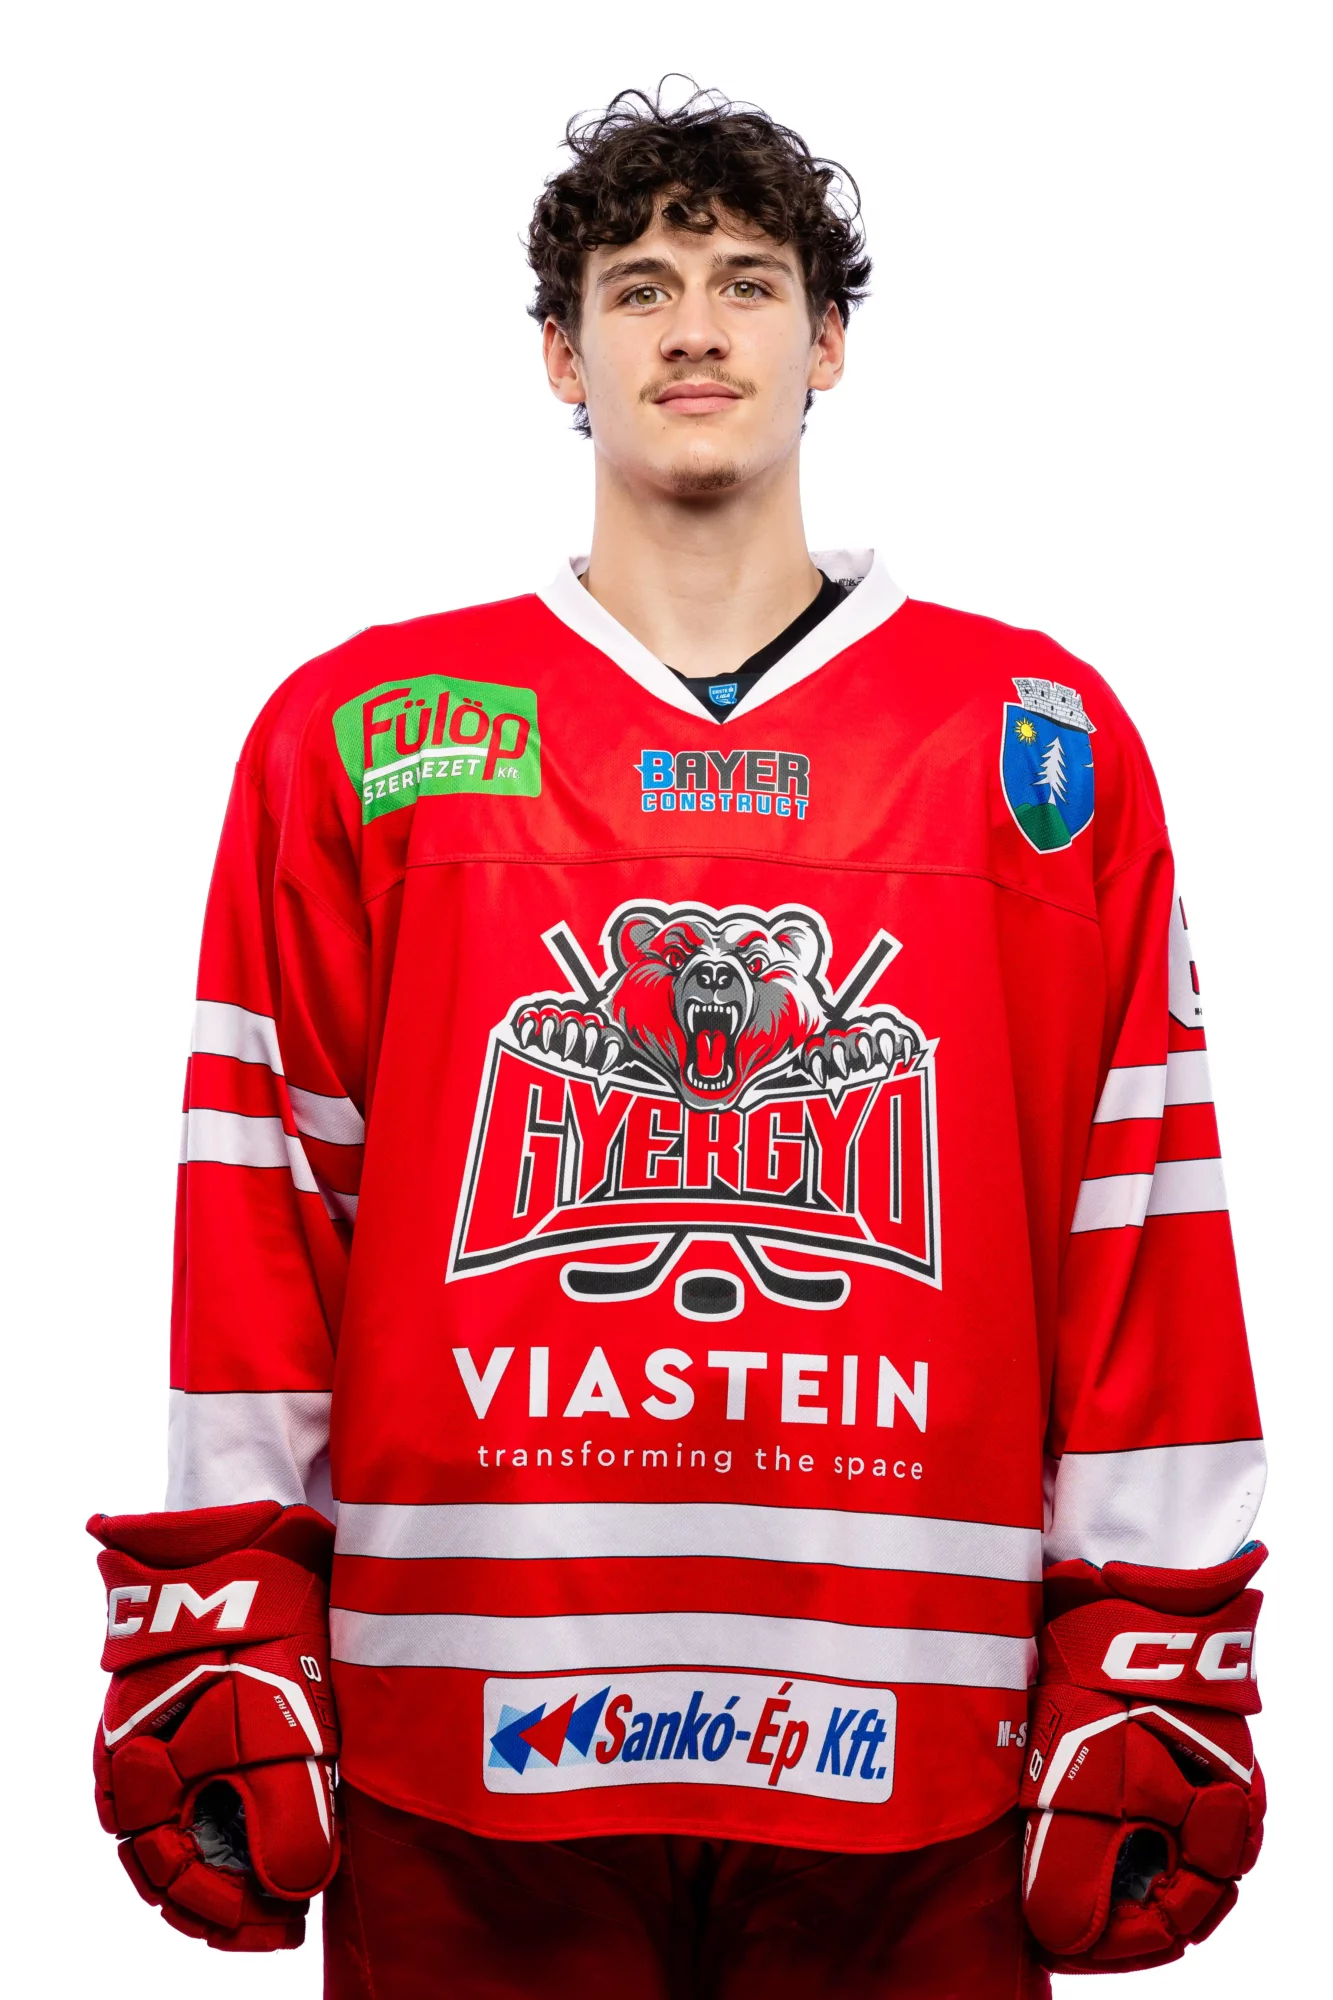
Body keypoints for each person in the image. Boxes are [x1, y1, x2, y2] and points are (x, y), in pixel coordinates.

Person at [89, 85, 1268, 1997]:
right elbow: (263, 1197)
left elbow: (1133, 1209)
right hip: (463, 1730)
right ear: (562, 357)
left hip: (922, 1742)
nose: (696, 330)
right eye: (639, 289)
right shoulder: (366, 733)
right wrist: (225, 1599)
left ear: (829, 341)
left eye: (747, 281)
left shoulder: (1033, 743)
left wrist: (1154, 1634)